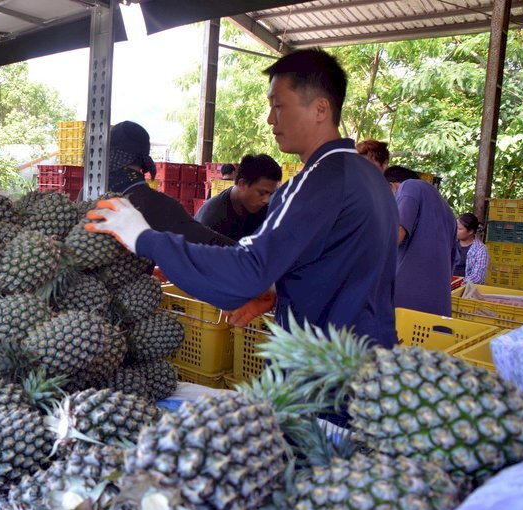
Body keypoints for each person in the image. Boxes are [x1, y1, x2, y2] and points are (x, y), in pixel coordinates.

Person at [87, 49, 399, 348]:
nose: (270, 120)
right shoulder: (368, 176)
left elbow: (246, 272)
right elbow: (340, 267)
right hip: (365, 356)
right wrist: (278, 292)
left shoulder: (318, 181)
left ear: (320, 109)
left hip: (324, 371)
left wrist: (144, 237)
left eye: (278, 106)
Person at [105, 121, 235, 247]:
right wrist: (248, 256)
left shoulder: (91, 192)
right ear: (143, 163)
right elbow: (205, 239)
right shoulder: (158, 204)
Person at [385, 165, 457, 316]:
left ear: (391, 185)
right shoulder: (447, 211)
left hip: (404, 302)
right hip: (437, 306)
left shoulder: (409, 186)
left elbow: (394, 237)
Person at [194, 154, 282, 240]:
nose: (266, 200)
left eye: (271, 194)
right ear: (242, 184)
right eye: (262, 193)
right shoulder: (211, 219)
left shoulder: (265, 208)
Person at [454, 212, 488, 284]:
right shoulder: (451, 243)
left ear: (470, 231)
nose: (455, 231)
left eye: (459, 229)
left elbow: (477, 276)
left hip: (467, 289)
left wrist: (458, 284)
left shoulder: (480, 250)